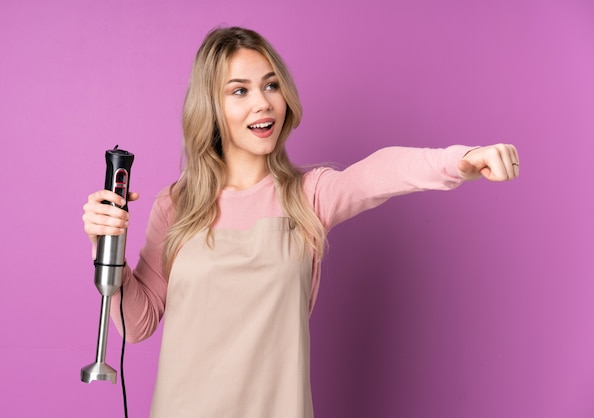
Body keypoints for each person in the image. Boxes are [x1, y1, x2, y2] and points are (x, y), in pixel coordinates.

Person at [82, 26, 519, 418]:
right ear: (211, 107)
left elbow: (378, 171)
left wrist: (461, 159)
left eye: (270, 85)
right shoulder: (177, 205)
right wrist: (106, 247)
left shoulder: (308, 196)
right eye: (240, 91)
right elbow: (137, 324)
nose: (263, 102)